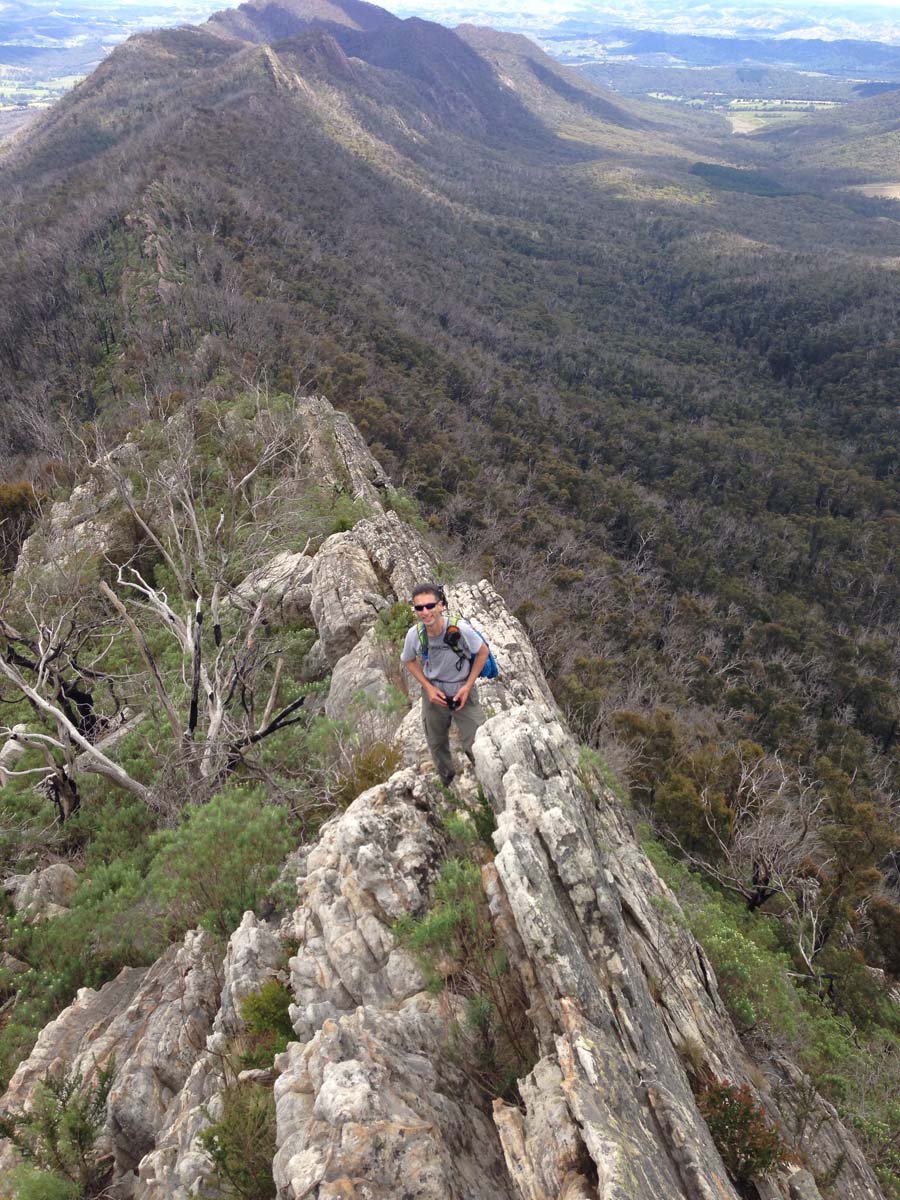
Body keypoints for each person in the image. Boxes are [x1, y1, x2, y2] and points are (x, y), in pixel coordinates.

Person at [400, 583, 490, 786]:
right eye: (419, 608)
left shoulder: (460, 628)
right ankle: (448, 783)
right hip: (434, 693)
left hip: (462, 690)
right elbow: (408, 660)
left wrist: (468, 686)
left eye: (430, 606)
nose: (425, 612)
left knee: (477, 742)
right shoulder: (415, 635)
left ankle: (487, 783)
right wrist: (428, 687)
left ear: (440, 606)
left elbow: (482, 652)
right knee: (436, 743)